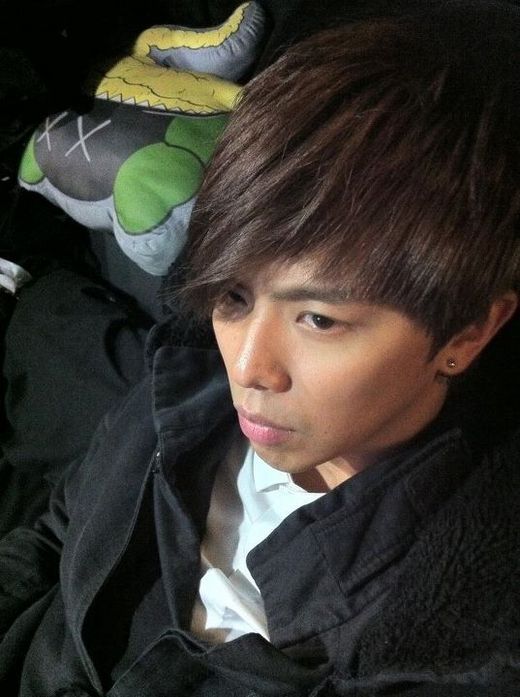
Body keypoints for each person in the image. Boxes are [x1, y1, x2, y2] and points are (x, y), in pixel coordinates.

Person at [0, 1, 519, 695]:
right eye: (234, 296)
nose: (247, 368)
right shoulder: (186, 378)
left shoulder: (446, 639)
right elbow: (59, 531)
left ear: (468, 333)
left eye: (319, 320)